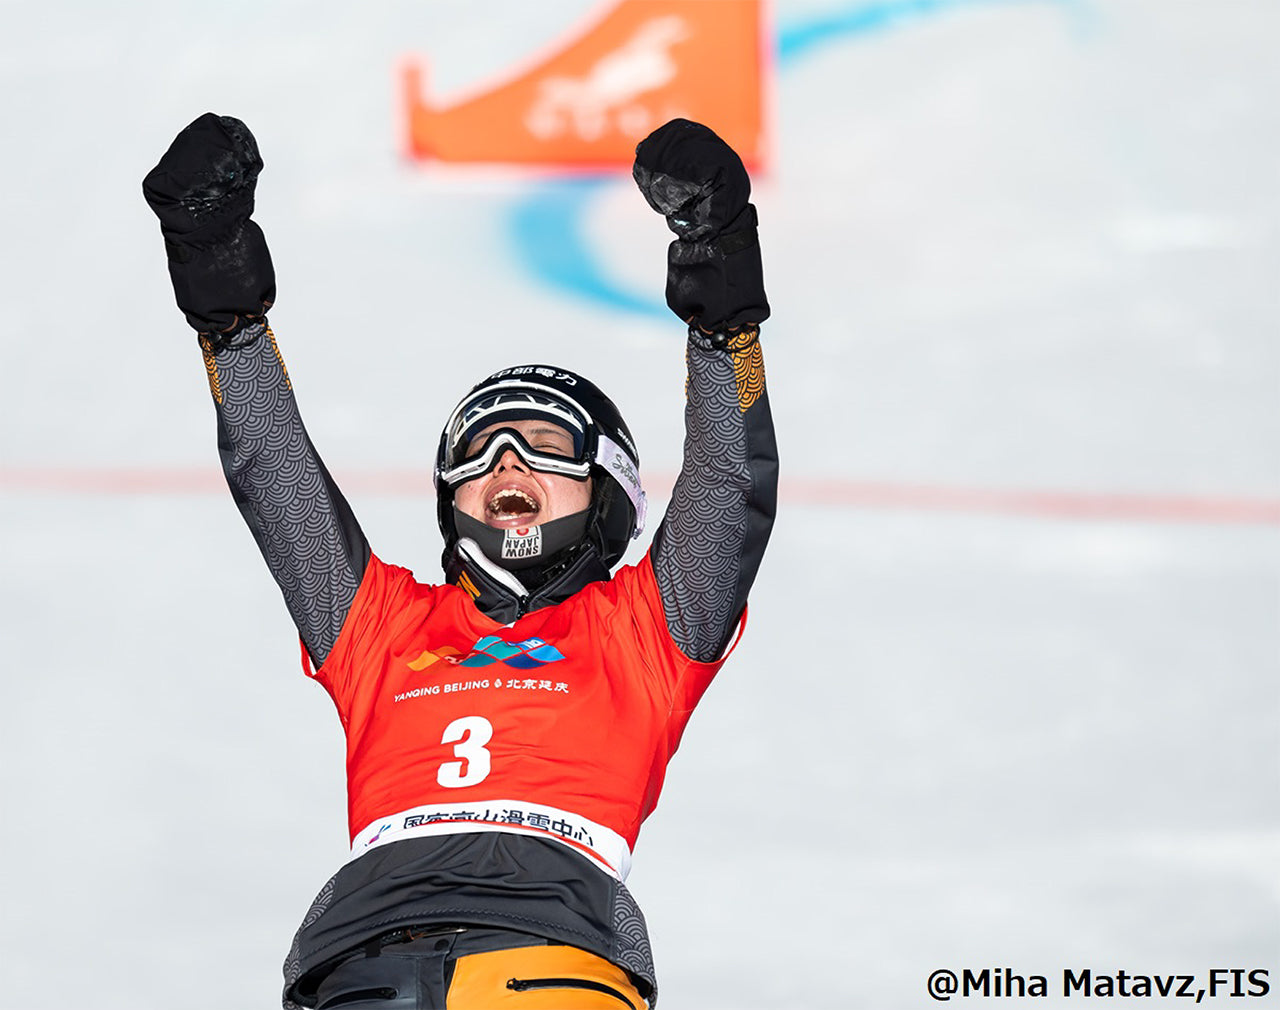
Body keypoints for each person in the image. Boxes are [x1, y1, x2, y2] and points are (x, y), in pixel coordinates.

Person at [143, 113, 776, 1009]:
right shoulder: (381, 627)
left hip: (551, 956)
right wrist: (219, 285)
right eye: (479, 450)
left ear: (608, 492)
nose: (506, 462)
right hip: (357, 964)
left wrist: (721, 285)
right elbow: (273, 471)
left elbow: (726, 482)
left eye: (544, 444)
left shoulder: (647, 631)